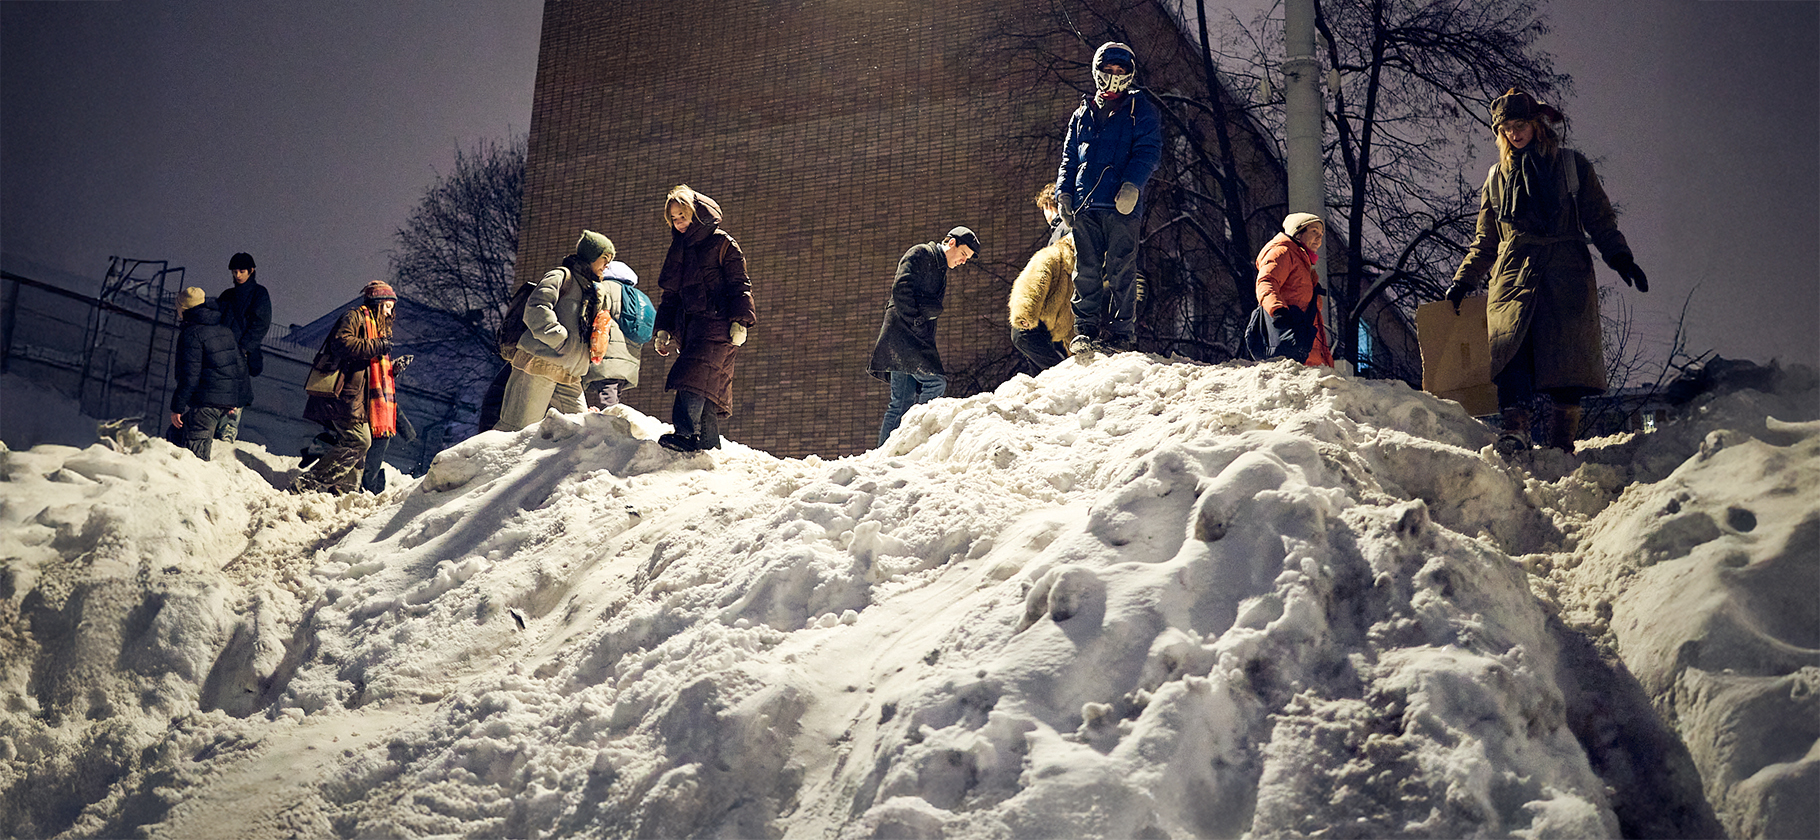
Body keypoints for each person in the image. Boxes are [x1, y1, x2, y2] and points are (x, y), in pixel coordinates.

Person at [1443, 89, 1648, 453]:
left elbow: (1600, 219)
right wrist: (1463, 280)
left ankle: (1561, 445)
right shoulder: (1496, 178)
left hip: (1564, 272)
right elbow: (1485, 240)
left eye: (1520, 125)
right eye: (1506, 128)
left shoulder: (1571, 166)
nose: (1514, 134)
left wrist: (1620, 256)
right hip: (1512, 275)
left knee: (1567, 359)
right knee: (1509, 351)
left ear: (1537, 124)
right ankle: (1515, 430)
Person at [1055, 41, 1162, 356]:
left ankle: (1120, 333)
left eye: (1120, 69)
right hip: (1086, 203)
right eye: (1108, 68)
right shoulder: (1081, 114)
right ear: (1097, 71)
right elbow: (1069, 158)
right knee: (1086, 270)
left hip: (1121, 205)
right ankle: (1084, 331)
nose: (1114, 74)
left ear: (1129, 73)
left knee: (1121, 269)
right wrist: (1064, 192)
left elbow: (1148, 150)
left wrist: (1132, 184)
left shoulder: (1139, 109)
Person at [652, 185, 757, 453]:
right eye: (674, 218)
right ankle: (709, 446)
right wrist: (663, 329)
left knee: (693, 376)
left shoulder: (722, 243)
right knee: (706, 385)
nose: (679, 223)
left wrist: (741, 321)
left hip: (718, 324)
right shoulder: (678, 249)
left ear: (696, 213)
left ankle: (686, 434)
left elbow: (739, 284)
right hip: (691, 328)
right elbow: (671, 294)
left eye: (683, 216)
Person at [869, 226, 980, 446]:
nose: (963, 261)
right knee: (935, 382)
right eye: (963, 254)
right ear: (951, 243)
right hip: (903, 336)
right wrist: (917, 321)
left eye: (966, 258)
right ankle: (920, 437)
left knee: (901, 402)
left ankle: (883, 455)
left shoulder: (940, 269)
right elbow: (901, 288)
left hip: (911, 337)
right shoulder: (920, 253)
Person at [493, 231, 613, 432]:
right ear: (591, 255)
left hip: (569, 375)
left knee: (579, 434)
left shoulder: (593, 290)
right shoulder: (561, 276)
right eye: (605, 258)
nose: (607, 265)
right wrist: (560, 340)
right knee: (515, 430)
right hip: (538, 364)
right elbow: (536, 308)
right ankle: (483, 453)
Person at [292, 281, 397, 495]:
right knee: (359, 440)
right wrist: (378, 346)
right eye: (387, 306)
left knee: (357, 445)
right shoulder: (354, 317)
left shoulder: (375, 327)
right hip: (344, 394)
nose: (389, 312)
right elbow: (342, 343)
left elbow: (369, 368)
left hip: (359, 396)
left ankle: (343, 491)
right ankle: (308, 483)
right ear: (377, 303)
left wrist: (392, 368)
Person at [168, 287, 250, 460]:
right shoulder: (225, 330)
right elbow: (240, 368)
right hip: (223, 402)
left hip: (206, 403)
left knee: (196, 457)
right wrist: (236, 400)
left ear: (184, 308)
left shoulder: (191, 334)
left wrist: (177, 407)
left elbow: (189, 375)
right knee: (175, 434)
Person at [1243, 213, 1333, 367]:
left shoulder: (1304, 265)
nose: (1319, 238)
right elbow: (1266, 281)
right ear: (1297, 233)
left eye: (1321, 234)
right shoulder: (1283, 252)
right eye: (1314, 231)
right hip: (1290, 340)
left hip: (1305, 348)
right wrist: (1278, 310)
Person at [214, 251, 271, 443]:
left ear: (251, 270)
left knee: (236, 392)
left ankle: (227, 432)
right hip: (222, 352)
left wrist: (244, 348)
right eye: (235, 271)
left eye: (242, 271)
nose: (238, 275)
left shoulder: (259, 294)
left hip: (241, 354)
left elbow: (261, 324)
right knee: (217, 389)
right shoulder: (227, 295)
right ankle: (217, 431)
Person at [1009, 213, 1076, 372]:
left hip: (1058, 328)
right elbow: (1031, 282)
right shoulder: (1052, 255)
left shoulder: (1083, 269)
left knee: (1040, 369)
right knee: (1025, 339)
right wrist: (1024, 314)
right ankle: (1061, 375)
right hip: (1039, 321)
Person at [583, 259, 644, 409]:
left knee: (607, 399)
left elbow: (594, 314)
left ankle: (609, 422)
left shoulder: (604, 288)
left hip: (607, 352)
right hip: (629, 356)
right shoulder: (634, 295)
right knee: (614, 394)